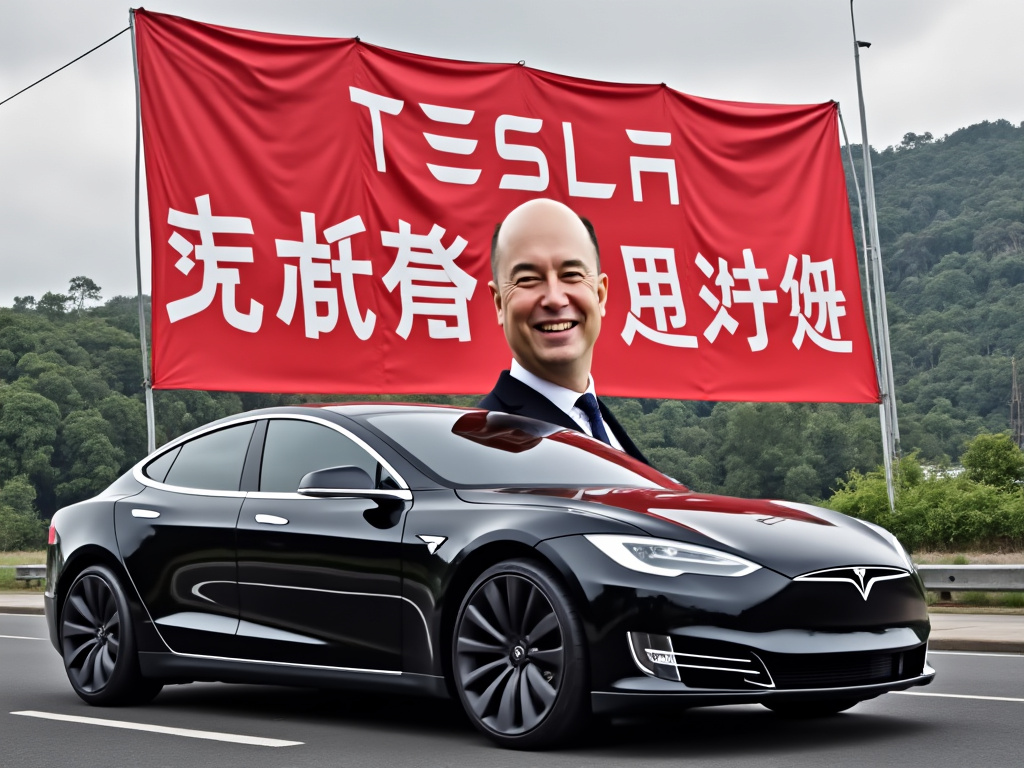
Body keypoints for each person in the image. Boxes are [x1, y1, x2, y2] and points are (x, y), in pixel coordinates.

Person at [478, 198, 648, 463]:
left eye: (571, 274)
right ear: (499, 303)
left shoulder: (604, 427)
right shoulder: (486, 446)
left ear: (600, 294)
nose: (555, 299)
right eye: (528, 279)